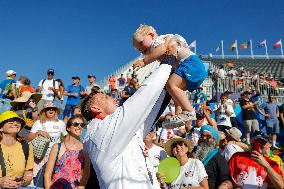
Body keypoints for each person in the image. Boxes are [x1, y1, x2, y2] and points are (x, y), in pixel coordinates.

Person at [81, 63, 173, 189]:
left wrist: (172, 79)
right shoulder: (100, 132)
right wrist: (168, 63)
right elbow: (144, 95)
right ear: (96, 109)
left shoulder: (117, 130)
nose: (114, 98)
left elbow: (150, 111)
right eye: (106, 97)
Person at [132, 24, 207, 128]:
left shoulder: (158, 42)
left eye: (141, 43)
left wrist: (144, 61)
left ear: (151, 35)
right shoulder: (158, 46)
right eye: (138, 49)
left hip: (191, 64)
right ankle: (180, 116)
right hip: (191, 67)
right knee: (174, 93)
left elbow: (162, 49)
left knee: (170, 85)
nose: (140, 49)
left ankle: (189, 111)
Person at [28, 101, 67, 188]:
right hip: (39, 156)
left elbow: (66, 137)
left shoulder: (61, 123)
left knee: (49, 180)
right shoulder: (38, 123)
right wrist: (38, 132)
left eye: (53, 109)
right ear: (44, 111)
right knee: (35, 180)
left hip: (53, 157)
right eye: (48, 109)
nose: (51, 110)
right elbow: (29, 137)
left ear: (55, 111)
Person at [44, 115, 90, 189]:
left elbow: (86, 175)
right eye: (76, 124)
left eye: (82, 125)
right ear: (68, 128)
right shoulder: (57, 147)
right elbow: (47, 174)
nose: (79, 127)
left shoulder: (85, 149)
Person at [0, 111, 34, 188]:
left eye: (18, 122)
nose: (15, 124)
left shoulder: (26, 147)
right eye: (10, 122)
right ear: (1, 128)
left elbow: (29, 172)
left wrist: (22, 182)